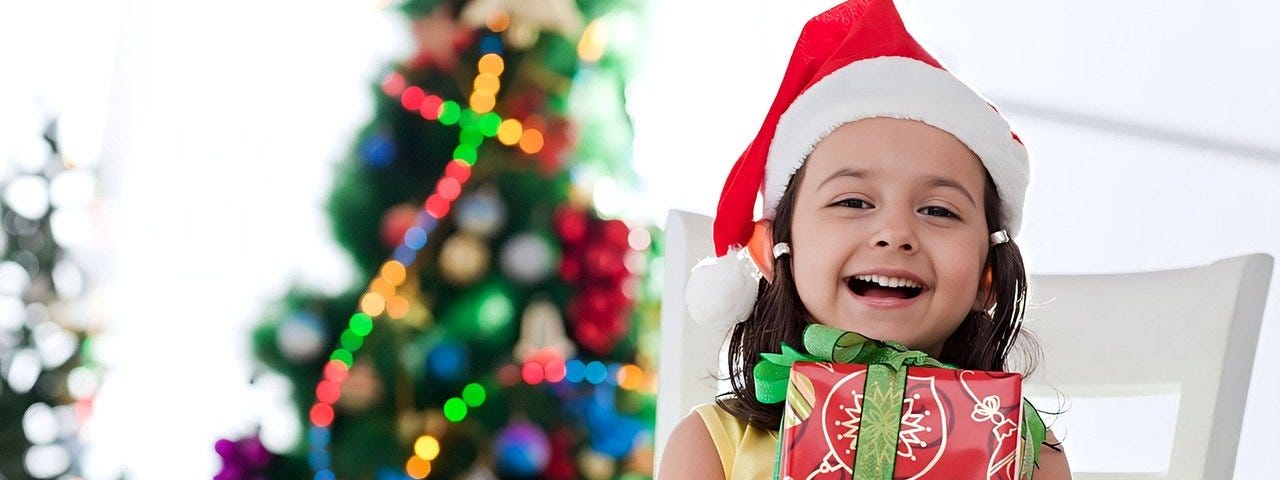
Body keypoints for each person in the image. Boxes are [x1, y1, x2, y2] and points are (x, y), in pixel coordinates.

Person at [657, 0, 1072, 478]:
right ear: (776, 250)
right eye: (852, 202)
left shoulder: (1028, 449)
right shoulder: (709, 445)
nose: (895, 234)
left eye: (938, 210)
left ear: (988, 276)